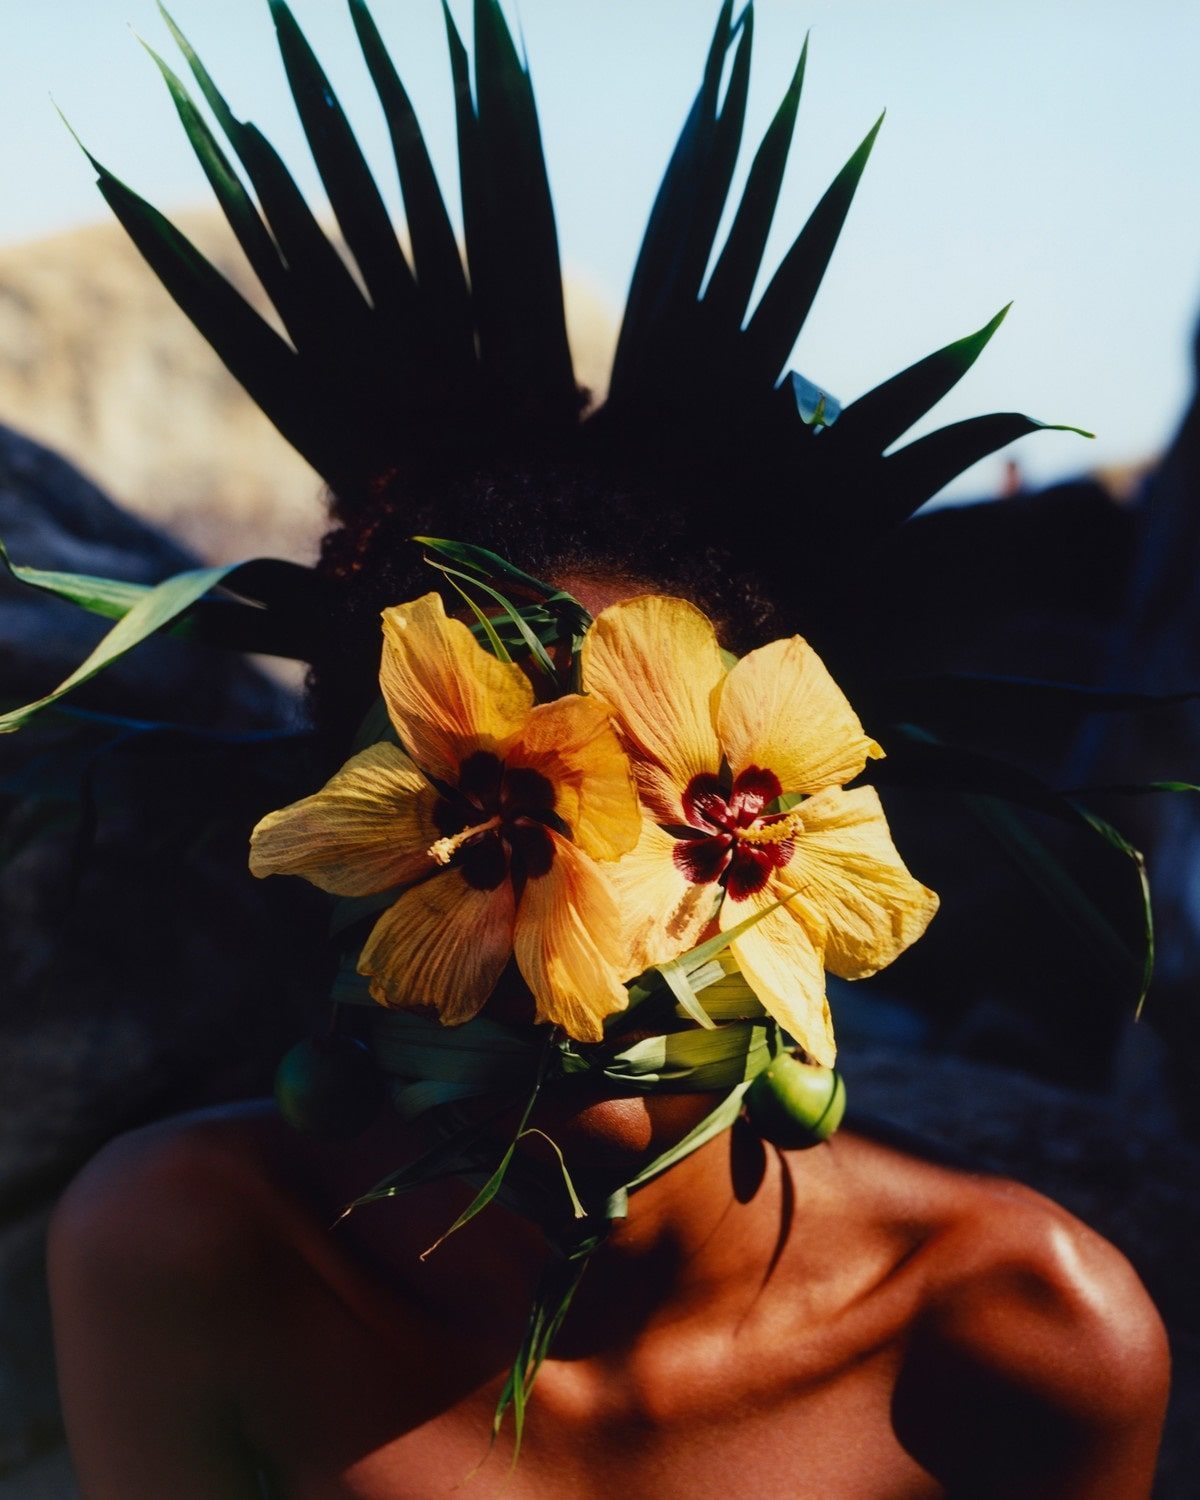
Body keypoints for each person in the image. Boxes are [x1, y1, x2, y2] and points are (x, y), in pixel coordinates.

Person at [28, 3, 1171, 1494]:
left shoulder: (1026, 1329)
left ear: (815, 837)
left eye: (675, 806)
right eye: (495, 809)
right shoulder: (193, 1251)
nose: (596, 906)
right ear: (352, 853)